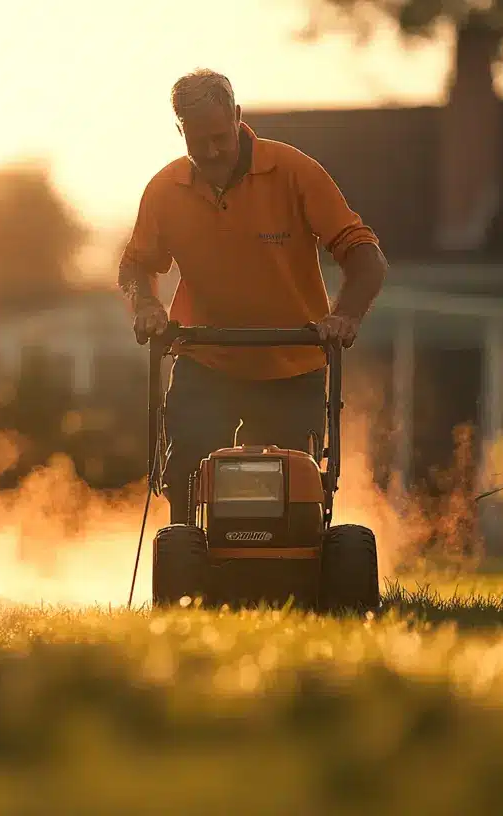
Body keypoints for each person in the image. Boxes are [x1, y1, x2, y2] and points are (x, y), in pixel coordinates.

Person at [118, 68, 388, 525]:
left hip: (291, 363)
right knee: (186, 476)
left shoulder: (294, 171)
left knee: (290, 488)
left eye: (220, 137)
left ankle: (287, 579)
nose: (210, 151)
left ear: (239, 117)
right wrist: (146, 304)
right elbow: (135, 266)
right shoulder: (165, 190)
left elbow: (365, 256)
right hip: (205, 361)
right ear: (179, 130)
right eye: (196, 140)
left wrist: (345, 316)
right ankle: (190, 575)